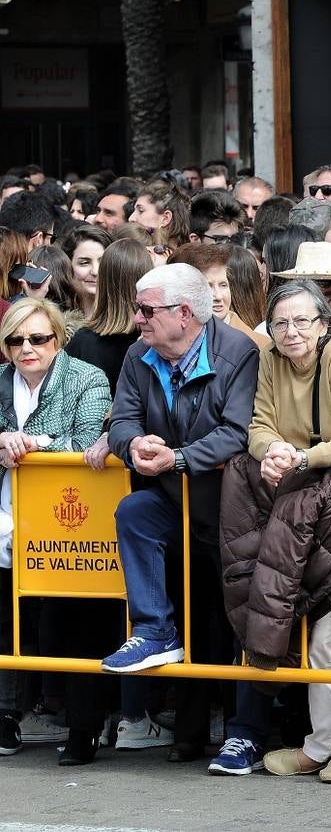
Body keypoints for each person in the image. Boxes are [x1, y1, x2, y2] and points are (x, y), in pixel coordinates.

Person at [217, 280, 331, 783]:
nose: (290, 332)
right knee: (314, 634)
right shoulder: (271, 358)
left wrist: (302, 455)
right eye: (280, 323)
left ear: (324, 323)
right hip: (300, 510)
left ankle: (328, 748)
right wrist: (273, 453)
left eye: (302, 321)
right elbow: (259, 425)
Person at [99, 264, 260, 762]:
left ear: (184, 314)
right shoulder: (137, 352)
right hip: (173, 499)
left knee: (244, 622)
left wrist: (180, 457)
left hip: (231, 509)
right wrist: (134, 444)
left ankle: (246, 733)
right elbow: (121, 417)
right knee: (134, 512)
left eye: (146, 310)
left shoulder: (238, 351)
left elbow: (238, 430)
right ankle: (152, 630)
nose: (137, 318)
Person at [0, 299, 112, 763]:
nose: (27, 348)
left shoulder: (86, 378)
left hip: (71, 523)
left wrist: (31, 444)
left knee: (75, 621)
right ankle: (6, 715)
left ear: (58, 339)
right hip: (7, 516)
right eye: (15, 340)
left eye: (38, 338)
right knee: (4, 623)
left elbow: (88, 443)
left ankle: (83, 727)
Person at [66, 239, 156, 466]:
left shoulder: (80, 342)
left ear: (104, 281)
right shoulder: (157, 339)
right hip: (144, 457)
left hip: (89, 460)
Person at [170, 243, 272, 349]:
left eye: (223, 285)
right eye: (208, 287)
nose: (218, 296)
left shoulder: (259, 347)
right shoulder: (163, 340)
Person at [60, 224, 110, 322]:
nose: (95, 271)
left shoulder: (130, 320)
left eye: (103, 262)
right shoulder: (54, 318)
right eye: (84, 263)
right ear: (68, 265)